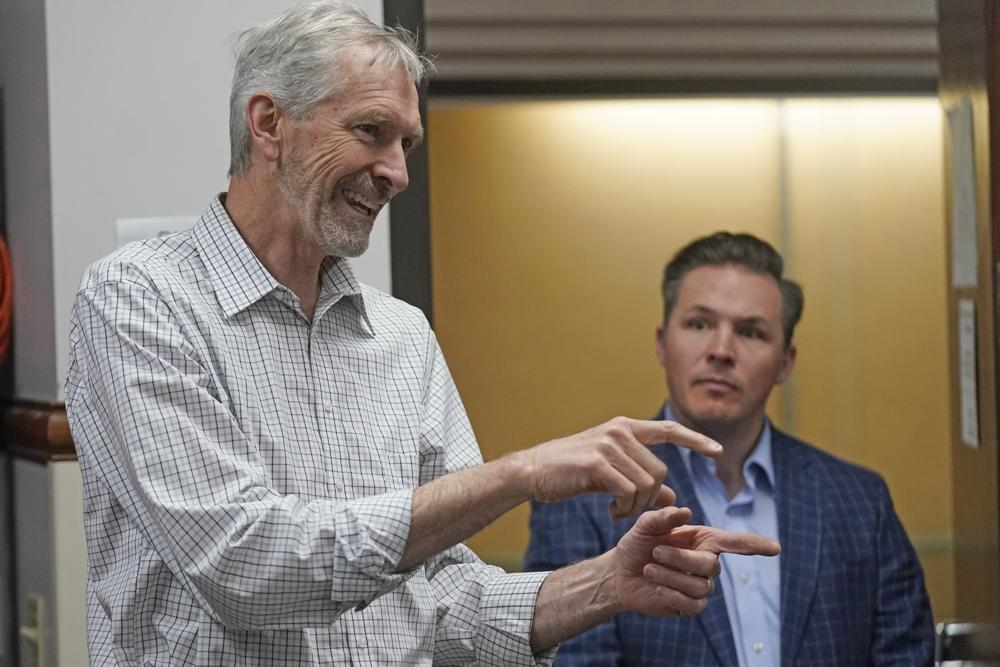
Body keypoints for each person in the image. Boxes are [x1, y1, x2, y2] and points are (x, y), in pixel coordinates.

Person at [64, 4, 780, 665]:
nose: (398, 173)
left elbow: (446, 603)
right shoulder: (139, 298)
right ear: (268, 124)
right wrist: (516, 473)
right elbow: (244, 567)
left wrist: (604, 584)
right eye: (370, 132)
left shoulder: (402, 337)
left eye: (406, 143)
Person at [525, 232, 935, 666]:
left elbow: (905, 655)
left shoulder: (859, 501)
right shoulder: (585, 501)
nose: (721, 351)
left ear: (785, 362)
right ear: (663, 343)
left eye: (751, 332)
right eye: (700, 325)